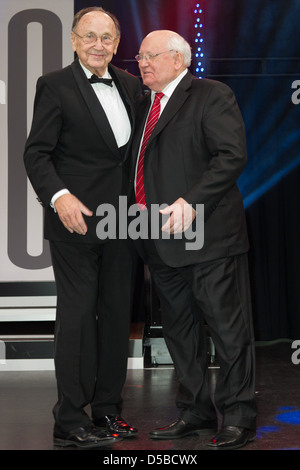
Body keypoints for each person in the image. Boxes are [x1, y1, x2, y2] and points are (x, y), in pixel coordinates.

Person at [130, 30, 257, 450]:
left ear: (180, 60)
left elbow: (230, 155)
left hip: (210, 236)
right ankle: (196, 412)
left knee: (227, 329)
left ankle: (238, 414)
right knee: (180, 333)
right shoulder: (143, 104)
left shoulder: (210, 94)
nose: (142, 63)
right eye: (139, 56)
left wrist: (192, 200)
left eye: (152, 56)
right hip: (159, 239)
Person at [24, 7, 141, 448]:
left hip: (123, 222)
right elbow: (36, 153)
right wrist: (59, 197)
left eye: (106, 37)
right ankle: (70, 420)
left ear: (116, 43)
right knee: (76, 318)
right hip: (73, 222)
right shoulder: (54, 84)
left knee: (115, 317)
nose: (98, 44)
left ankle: (108, 411)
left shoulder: (131, 85)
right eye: (89, 36)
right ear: (74, 40)